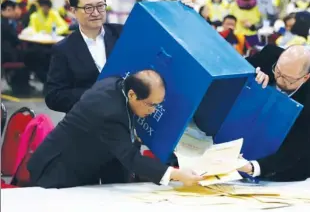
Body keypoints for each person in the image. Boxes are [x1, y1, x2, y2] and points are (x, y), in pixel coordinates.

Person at [28, 70, 203, 188]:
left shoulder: (117, 84)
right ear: (133, 95)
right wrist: (176, 175)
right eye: (152, 105)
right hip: (57, 171)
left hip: (83, 162)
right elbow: (131, 158)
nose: (153, 111)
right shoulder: (108, 112)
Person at [45, 0, 194, 113]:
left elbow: (157, 37)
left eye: (100, 6)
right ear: (73, 11)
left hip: (125, 123)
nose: (96, 13)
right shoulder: (64, 49)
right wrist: (95, 95)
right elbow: (54, 96)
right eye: (88, 8)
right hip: (86, 124)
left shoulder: (121, 33)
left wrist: (179, 13)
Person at [240, 45, 310, 181]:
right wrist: (253, 73)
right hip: (245, 128)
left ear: (305, 78)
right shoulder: (269, 55)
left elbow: (294, 151)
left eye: (288, 78)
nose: (280, 79)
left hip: (278, 167)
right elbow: (237, 67)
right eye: (278, 71)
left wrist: (254, 167)